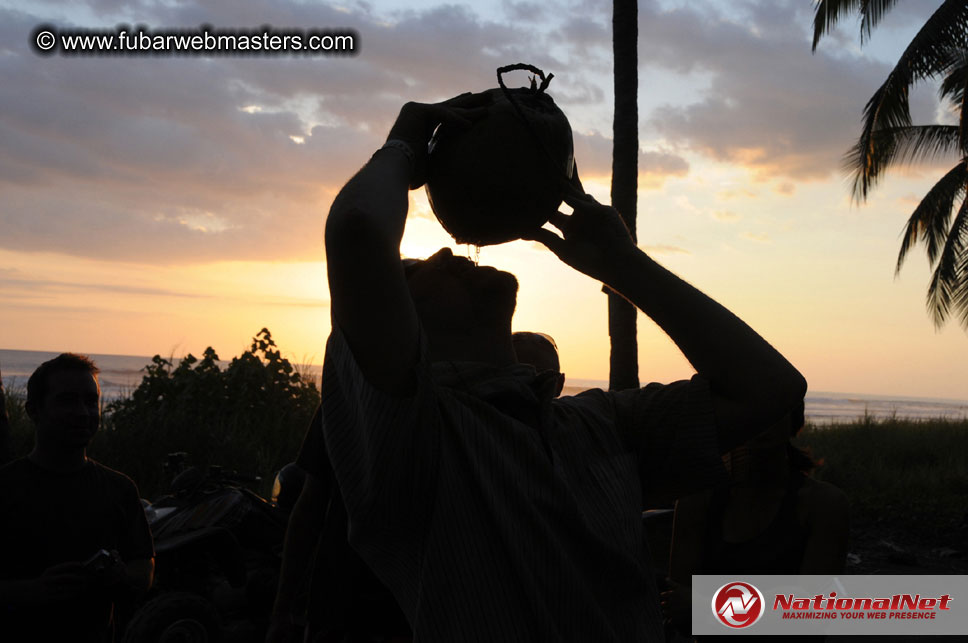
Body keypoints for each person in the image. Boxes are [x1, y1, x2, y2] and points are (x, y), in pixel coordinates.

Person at [320, 95, 807, 641]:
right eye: (410, 273)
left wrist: (623, 265)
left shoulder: (602, 425)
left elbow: (773, 389)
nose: (442, 254)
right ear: (407, 334)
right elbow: (359, 231)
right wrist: (404, 145)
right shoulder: (413, 442)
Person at [267, 332, 567, 643]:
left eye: (537, 380)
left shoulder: (541, 447)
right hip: (346, 613)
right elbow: (309, 508)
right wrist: (282, 610)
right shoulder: (365, 404)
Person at [0, 353, 154, 643]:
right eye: (67, 401)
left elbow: (143, 570)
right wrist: (32, 591)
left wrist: (119, 576)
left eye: (90, 401)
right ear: (34, 411)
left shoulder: (120, 489)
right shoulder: (6, 487)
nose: (83, 412)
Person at [663, 405, 848, 640]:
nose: (758, 416)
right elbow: (679, 611)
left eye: (772, 404)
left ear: (794, 419)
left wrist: (706, 608)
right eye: (746, 404)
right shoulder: (696, 500)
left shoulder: (823, 503)